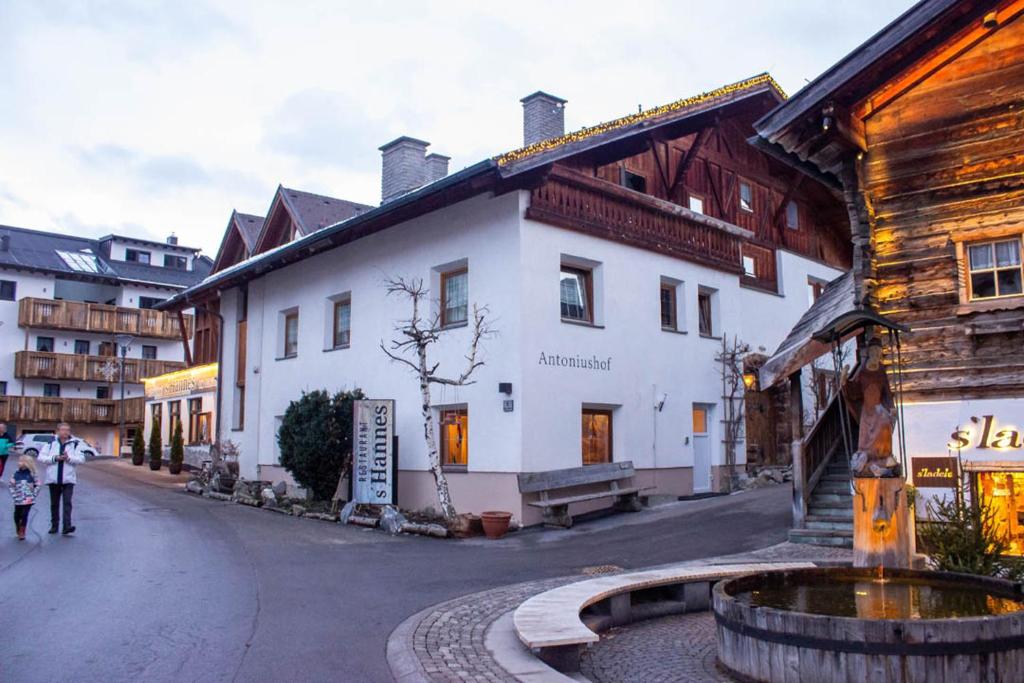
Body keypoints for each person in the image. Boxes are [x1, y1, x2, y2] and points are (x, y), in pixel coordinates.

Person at [37, 423, 86, 535]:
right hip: (53, 478)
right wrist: (55, 458)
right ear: (58, 431)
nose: (65, 432)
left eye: (67, 430)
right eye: (63, 430)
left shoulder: (75, 444)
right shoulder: (50, 443)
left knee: (67, 503)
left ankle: (67, 526)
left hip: (68, 479)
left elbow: (81, 459)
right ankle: (54, 525)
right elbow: (41, 457)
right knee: (54, 504)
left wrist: (68, 458)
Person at [8, 455, 42, 540]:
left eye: (21, 461)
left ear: (26, 463)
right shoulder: (16, 474)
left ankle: (22, 531)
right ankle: (18, 528)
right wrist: (14, 495)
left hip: (28, 499)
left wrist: (33, 495)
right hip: (18, 499)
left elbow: (38, 485)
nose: (18, 463)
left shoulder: (32, 474)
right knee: (17, 515)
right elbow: (11, 485)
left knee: (24, 514)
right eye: (19, 461)